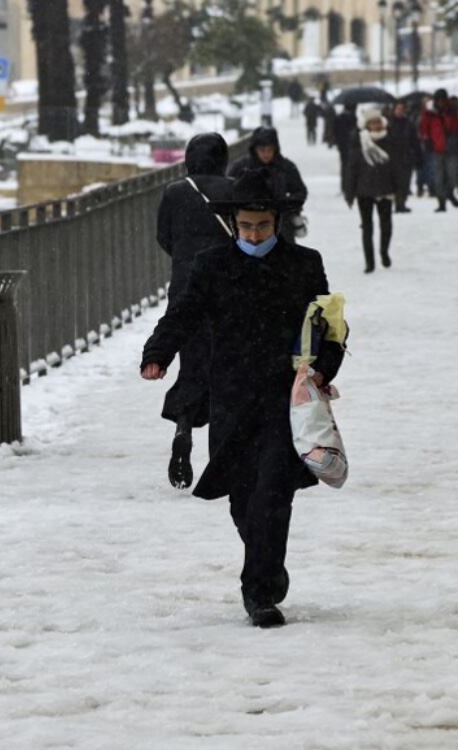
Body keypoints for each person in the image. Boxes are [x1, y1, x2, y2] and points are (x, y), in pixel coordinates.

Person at [140, 169, 346, 629]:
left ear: (277, 222)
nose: (254, 234)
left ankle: (260, 593)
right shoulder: (213, 264)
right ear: (234, 222)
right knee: (242, 499)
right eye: (246, 226)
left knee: (273, 490)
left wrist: (321, 369)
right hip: (231, 397)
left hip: (284, 399)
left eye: (263, 226)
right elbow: (184, 314)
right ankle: (268, 563)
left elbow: (329, 330)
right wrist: (158, 353)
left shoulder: (304, 264)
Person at [154, 133, 234, 489]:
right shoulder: (234, 190)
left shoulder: (174, 192)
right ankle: (221, 452)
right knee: (225, 365)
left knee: (193, 362)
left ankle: (184, 425)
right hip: (226, 291)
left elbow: (164, 237)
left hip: (186, 289)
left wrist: (188, 261)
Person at [227, 126, 309, 241]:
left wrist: (286, 204)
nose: (266, 154)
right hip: (250, 228)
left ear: (275, 149)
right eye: (262, 150)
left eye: (270, 150)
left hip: (282, 227)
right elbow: (228, 191)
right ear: (254, 149)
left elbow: (300, 191)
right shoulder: (241, 168)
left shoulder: (286, 167)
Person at [343, 106, 398, 273]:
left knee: (386, 224)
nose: (376, 125)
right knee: (367, 227)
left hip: (385, 188)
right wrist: (349, 193)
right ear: (366, 125)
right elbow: (351, 169)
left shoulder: (390, 140)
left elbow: (397, 167)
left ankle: (384, 252)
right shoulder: (358, 142)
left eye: (378, 122)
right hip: (364, 191)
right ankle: (369, 262)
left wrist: (400, 189)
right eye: (372, 123)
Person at [420, 88, 458, 212]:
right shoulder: (429, 113)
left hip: (452, 148)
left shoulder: (453, 111)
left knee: (452, 175)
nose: (441, 103)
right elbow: (423, 129)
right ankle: (441, 202)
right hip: (436, 149)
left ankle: (449, 193)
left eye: (443, 100)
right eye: (439, 100)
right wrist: (426, 141)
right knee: (438, 177)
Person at [386, 100, 419, 213]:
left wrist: (417, 155)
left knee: (405, 182)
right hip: (393, 158)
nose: (400, 111)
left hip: (406, 157)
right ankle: (395, 203)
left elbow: (415, 141)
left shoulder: (409, 124)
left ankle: (401, 203)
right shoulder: (388, 124)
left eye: (402, 109)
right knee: (393, 182)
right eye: (398, 109)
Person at [331, 104, 358, 173]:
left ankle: (344, 177)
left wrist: (336, 141)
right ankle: (348, 177)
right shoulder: (353, 118)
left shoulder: (338, 117)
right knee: (351, 162)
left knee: (343, 162)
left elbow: (334, 130)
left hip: (341, 143)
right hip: (351, 143)